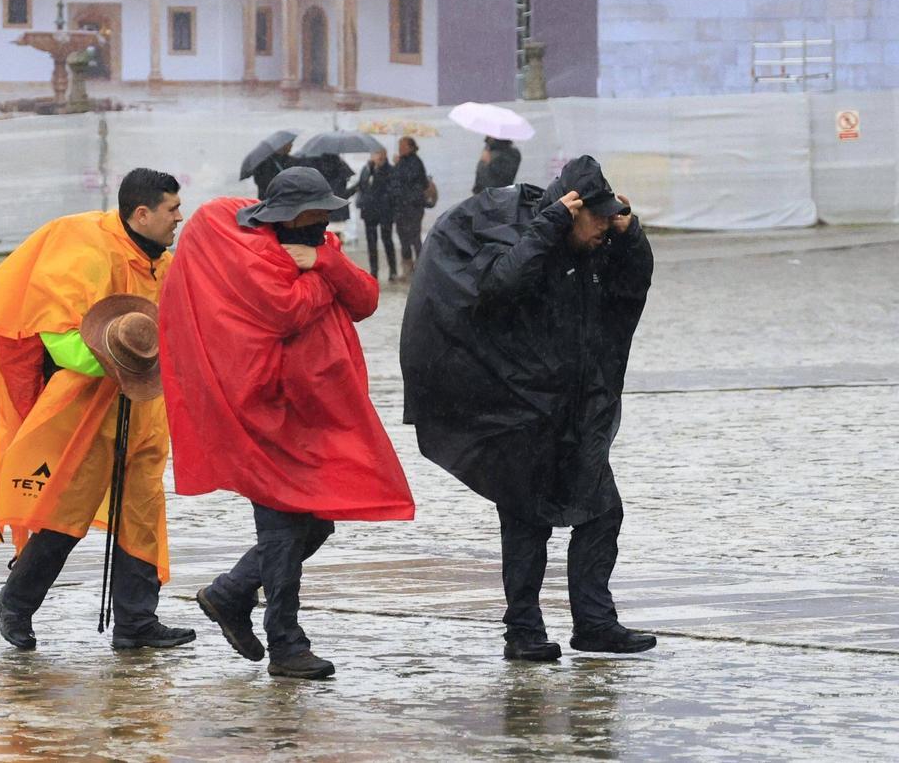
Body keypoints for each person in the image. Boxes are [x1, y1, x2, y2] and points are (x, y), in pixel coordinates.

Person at [158, 167, 415, 680]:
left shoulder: (319, 247)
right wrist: (324, 274)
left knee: (317, 519)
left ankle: (231, 593)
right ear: (287, 218)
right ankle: (286, 644)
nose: (323, 225)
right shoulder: (249, 255)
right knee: (281, 527)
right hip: (266, 413)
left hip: (317, 411)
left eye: (326, 217)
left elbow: (364, 299)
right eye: (314, 218)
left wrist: (322, 260)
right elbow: (286, 310)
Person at [400, 155, 655, 662]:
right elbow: (499, 286)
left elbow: (630, 292)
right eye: (598, 217)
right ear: (571, 208)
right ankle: (523, 630)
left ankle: (595, 623)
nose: (605, 226)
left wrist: (633, 236)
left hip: (571, 406)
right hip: (518, 407)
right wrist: (550, 226)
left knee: (603, 511)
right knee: (525, 519)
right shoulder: (529, 237)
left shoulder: (593, 247)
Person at [0, 168, 195, 652]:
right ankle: (17, 600)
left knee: (143, 510)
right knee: (67, 509)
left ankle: (136, 621)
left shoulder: (162, 261)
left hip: (145, 403)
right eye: (172, 209)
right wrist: (122, 360)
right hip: (87, 403)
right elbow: (59, 336)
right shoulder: (84, 248)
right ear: (142, 213)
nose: (179, 218)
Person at [346, 148, 397, 282]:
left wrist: (375, 171)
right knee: (371, 242)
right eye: (375, 154)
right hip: (369, 210)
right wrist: (345, 193)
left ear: (385, 156)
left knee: (387, 240)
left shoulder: (390, 170)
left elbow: (387, 187)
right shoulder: (366, 169)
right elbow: (361, 185)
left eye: (379, 154)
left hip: (385, 211)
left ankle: (393, 270)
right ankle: (374, 271)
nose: (377, 157)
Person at [390, 135, 429, 278]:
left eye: (402, 146)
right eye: (399, 145)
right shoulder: (402, 162)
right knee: (403, 238)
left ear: (411, 147)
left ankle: (420, 267)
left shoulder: (415, 162)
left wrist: (397, 165)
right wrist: (397, 165)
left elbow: (412, 181)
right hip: (402, 208)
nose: (400, 148)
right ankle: (408, 267)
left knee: (414, 237)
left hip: (412, 207)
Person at [308, 153, 356, 238]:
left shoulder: (315, 166)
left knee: (324, 242)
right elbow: (342, 194)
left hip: (322, 211)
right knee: (336, 242)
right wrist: (357, 187)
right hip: (338, 211)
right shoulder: (341, 167)